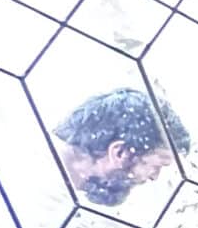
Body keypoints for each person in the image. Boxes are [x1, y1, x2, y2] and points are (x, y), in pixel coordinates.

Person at [52, 87, 188, 207]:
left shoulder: (60, 190)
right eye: (157, 166)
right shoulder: (48, 200)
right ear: (120, 153)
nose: (154, 177)